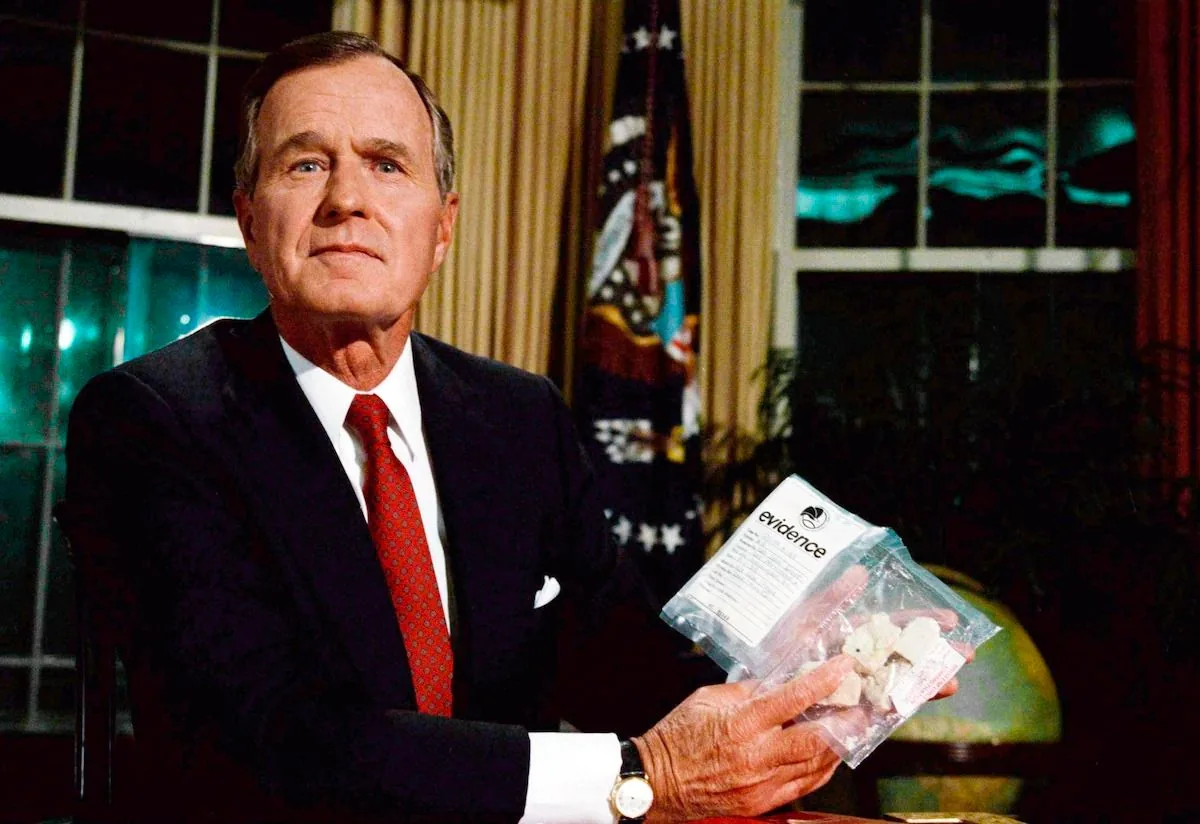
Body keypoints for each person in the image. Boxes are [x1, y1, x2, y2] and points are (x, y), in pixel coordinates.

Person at [63, 31, 953, 823]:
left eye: (387, 164)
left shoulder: (517, 416)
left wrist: (807, 676)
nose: (346, 200)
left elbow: (619, 659)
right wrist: (635, 779)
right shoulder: (154, 419)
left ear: (441, 230)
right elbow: (274, 737)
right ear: (250, 222)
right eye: (305, 165)